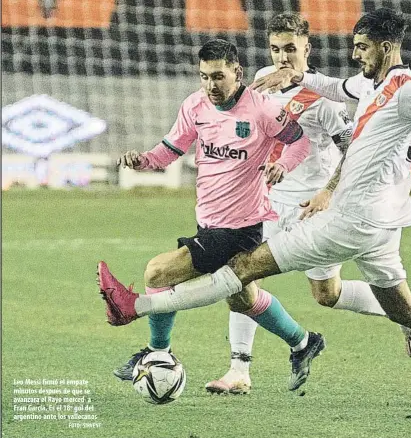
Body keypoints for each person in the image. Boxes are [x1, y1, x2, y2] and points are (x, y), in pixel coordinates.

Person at [98, 9, 411, 402]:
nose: (354, 54)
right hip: (378, 224)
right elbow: (332, 86)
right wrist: (297, 76)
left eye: (362, 47)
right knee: (383, 304)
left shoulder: (408, 92)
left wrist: (328, 186)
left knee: (240, 269)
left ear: (385, 47)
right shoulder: (365, 86)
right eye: (276, 49)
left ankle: (141, 307)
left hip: (340, 219)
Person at [205, 12, 411, 396]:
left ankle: (405, 311)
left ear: (308, 48)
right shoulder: (259, 83)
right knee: (239, 274)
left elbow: (352, 149)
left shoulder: (324, 98)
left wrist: (329, 192)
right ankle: (239, 369)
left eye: (290, 48)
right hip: (267, 203)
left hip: (314, 209)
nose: (282, 57)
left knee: (327, 295)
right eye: (275, 49)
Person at [110, 38, 326, 391]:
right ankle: (304, 342)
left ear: (238, 73)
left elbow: (300, 141)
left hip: (240, 228)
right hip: (208, 221)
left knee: (158, 271)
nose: (211, 85)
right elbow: (171, 148)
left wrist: (283, 164)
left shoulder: (263, 109)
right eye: (204, 77)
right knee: (243, 298)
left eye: (218, 76)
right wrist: (144, 161)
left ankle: (156, 352)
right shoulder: (195, 106)